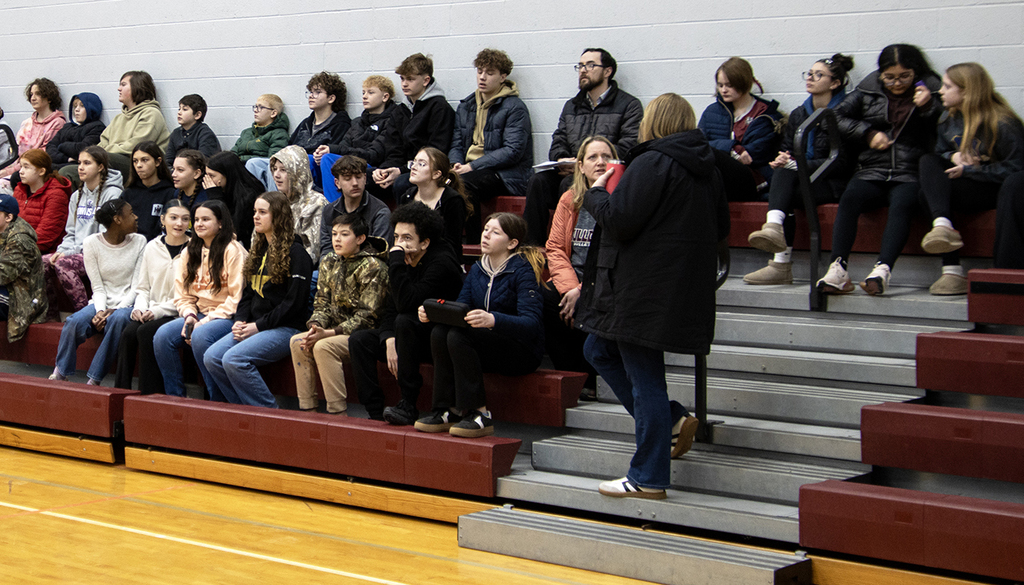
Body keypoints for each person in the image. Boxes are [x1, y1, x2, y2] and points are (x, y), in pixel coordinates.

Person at [579, 93, 729, 499]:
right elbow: (721, 228)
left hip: (643, 289)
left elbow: (620, 220)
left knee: (646, 380)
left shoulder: (652, 161)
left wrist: (595, 193)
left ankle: (648, 476)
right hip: (679, 287)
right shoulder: (708, 170)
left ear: (653, 122)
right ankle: (675, 420)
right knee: (598, 349)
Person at [818, 44, 942, 296]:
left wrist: (929, 107)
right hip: (872, 167)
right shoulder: (868, 90)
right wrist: (867, 133)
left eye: (904, 76)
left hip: (910, 170)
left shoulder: (931, 90)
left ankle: (882, 269)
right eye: (890, 77)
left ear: (915, 72)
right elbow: (832, 117)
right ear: (880, 74)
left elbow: (943, 129)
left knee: (902, 203)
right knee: (850, 198)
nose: (897, 83)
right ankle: (838, 268)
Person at [414, 213, 544, 438]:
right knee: (440, 331)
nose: (486, 235)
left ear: (512, 243)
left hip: (521, 350)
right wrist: (434, 313)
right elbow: (461, 309)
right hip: (488, 343)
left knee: (459, 337)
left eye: (495, 232)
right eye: (485, 229)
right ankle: (447, 410)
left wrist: (492, 319)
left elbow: (531, 324)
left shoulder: (523, 270)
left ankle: (480, 414)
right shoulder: (477, 269)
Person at [744, 54, 856, 285]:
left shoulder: (844, 113)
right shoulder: (799, 113)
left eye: (819, 75)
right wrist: (783, 158)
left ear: (835, 83)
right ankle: (776, 245)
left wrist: (796, 164)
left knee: (786, 184)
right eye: (809, 73)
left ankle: (780, 259)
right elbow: (787, 149)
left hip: (833, 182)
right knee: (785, 180)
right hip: (803, 178)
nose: (811, 78)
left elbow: (842, 161)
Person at [348, 203, 463, 422]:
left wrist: (397, 263)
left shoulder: (442, 263)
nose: (399, 244)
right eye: (397, 237)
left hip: (438, 339)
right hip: (405, 335)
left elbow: (407, 302)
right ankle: (374, 412)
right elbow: (392, 306)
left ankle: (408, 404)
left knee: (405, 322)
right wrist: (388, 338)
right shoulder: (407, 259)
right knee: (360, 340)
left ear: (425, 242)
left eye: (407, 238)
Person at [917, 62, 1024, 295]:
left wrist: (972, 171)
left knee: (1012, 184)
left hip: (997, 189)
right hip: (973, 184)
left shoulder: (1003, 123)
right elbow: (939, 153)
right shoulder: (948, 118)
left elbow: (1018, 170)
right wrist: (953, 156)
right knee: (928, 168)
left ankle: (959, 266)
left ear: (966, 91)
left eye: (947, 86)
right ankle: (946, 244)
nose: (940, 91)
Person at [204, 192, 313, 408]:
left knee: (233, 359)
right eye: (255, 211)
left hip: (287, 327)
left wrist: (258, 326)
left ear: (279, 216)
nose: (255, 217)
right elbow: (248, 294)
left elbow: (294, 304)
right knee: (212, 357)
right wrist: (241, 320)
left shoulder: (297, 253)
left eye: (262, 212)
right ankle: (242, 410)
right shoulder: (259, 249)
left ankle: (270, 414)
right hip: (257, 325)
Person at [524, 48, 643, 245]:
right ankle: (531, 249)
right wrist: (561, 158)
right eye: (580, 66)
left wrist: (589, 162)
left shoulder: (628, 105)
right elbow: (559, 138)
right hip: (573, 168)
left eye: (590, 65)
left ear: (608, 71)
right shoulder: (572, 105)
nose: (583, 71)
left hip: (604, 174)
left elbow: (629, 146)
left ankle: (568, 245)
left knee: (569, 184)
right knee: (537, 182)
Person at [291, 214, 389, 414]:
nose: (336, 239)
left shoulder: (374, 267)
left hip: (363, 334)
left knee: (324, 347)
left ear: (360, 238)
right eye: (334, 234)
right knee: (297, 342)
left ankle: (338, 413)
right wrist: (315, 327)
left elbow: (368, 317)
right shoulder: (329, 261)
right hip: (331, 329)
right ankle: (307, 409)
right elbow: (321, 302)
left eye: (344, 234)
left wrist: (326, 333)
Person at [544, 136, 617, 400]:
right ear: (581, 166)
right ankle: (572, 378)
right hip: (572, 281)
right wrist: (570, 288)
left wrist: (583, 290)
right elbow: (554, 249)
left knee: (589, 304)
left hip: (605, 282)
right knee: (544, 298)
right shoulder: (569, 199)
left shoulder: (619, 200)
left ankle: (594, 378)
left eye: (606, 156)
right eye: (593, 157)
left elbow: (615, 257)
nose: (600, 162)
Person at [153, 200, 247, 400]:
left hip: (227, 315)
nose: (199, 224)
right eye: (196, 220)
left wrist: (204, 322)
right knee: (162, 336)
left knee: (201, 335)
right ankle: (176, 398)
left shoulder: (233, 250)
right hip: (199, 313)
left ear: (220, 223)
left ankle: (216, 400)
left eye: (206, 219)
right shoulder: (189, 251)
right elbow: (183, 295)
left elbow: (236, 298)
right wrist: (189, 315)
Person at [49, 199, 145, 385]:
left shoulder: (139, 241)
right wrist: (101, 311)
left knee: (117, 320)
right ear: (117, 219)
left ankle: (94, 379)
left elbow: (137, 285)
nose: (136, 217)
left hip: (129, 303)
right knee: (73, 321)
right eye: (131, 213)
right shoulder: (91, 243)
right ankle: (61, 372)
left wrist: (116, 310)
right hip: (101, 301)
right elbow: (98, 287)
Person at [449, 48, 533, 242]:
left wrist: (472, 166)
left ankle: (472, 246)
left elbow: (513, 151)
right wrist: (455, 164)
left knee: (465, 185)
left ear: (503, 77)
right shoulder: (466, 105)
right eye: (479, 71)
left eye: (490, 73)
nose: (483, 77)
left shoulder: (514, 107)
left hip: (505, 174)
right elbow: (456, 143)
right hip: (469, 168)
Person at [114, 200, 191, 393]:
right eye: (173, 218)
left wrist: (155, 311)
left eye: (185, 219)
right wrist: (139, 308)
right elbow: (143, 287)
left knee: (145, 332)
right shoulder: (151, 246)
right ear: (163, 219)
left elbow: (190, 295)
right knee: (128, 333)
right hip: (151, 310)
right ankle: (121, 392)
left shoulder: (196, 249)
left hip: (178, 312)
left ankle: (150, 395)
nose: (179, 224)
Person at [44, 146, 124, 315]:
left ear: (100, 167)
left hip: (102, 253)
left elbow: (105, 235)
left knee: (63, 264)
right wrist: (64, 250)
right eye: (79, 163)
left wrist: (69, 253)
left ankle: (85, 313)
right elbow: (70, 232)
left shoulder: (113, 193)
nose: (80, 167)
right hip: (76, 251)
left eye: (87, 163)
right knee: (40, 263)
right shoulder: (77, 195)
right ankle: (50, 314)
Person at [698, 57, 784, 202]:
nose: (723, 90)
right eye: (720, 85)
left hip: (752, 179)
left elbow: (755, 154)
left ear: (744, 83)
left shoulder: (765, 115)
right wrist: (733, 148)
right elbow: (699, 144)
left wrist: (730, 151)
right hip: (716, 175)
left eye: (729, 85)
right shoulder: (712, 112)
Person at [372, 53, 456, 198]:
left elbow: (436, 152)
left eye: (410, 79)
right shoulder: (400, 110)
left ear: (426, 80)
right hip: (404, 169)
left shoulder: (440, 108)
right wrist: (387, 170)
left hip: (428, 171)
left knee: (403, 183)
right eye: (402, 79)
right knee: (365, 178)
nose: (404, 84)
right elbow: (393, 148)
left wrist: (402, 170)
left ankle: (405, 221)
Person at [313, 75, 398, 201]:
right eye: (363, 92)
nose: (364, 96)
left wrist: (333, 150)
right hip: (351, 163)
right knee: (309, 159)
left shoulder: (391, 121)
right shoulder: (357, 122)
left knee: (328, 158)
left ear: (385, 97)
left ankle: (335, 210)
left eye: (371, 92)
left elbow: (374, 155)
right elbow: (343, 146)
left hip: (372, 169)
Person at [96, 71, 171, 177]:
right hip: (114, 158)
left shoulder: (151, 113)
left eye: (123, 84)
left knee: (103, 160)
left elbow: (136, 146)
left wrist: (101, 154)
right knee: (68, 170)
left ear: (137, 87)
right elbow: (103, 142)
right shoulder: (118, 118)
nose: (119, 89)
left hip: (138, 163)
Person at [397, 147, 470, 254]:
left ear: (436, 174)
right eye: (414, 162)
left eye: (421, 164)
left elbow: (452, 244)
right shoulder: (407, 196)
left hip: (442, 261)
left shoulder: (452, 201)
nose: (413, 167)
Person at [318, 155, 391, 260]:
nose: (355, 183)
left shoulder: (380, 212)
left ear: (365, 178)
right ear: (337, 183)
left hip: (368, 269)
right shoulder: (328, 211)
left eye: (358, 177)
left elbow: (379, 254)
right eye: (348, 179)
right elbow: (326, 250)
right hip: (336, 267)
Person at [0, 193, 48, 342]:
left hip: (23, 299)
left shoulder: (20, 240)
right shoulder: (3, 230)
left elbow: (2, 275)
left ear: (8, 217)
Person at [1, 78, 66, 184]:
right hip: (15, 166)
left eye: (38, 94)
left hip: (32, 171)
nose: (33, 98)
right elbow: (14, 152)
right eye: (31, 94)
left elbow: (43, 156)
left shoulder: (57, 123)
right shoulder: (27, 122)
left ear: (49, 98)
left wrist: (9, 171)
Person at [271, 145, 327, 263]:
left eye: (283, 169)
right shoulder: (275, 201)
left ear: (297, 172)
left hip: (301, 269)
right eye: (275, 169)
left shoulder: (316, 203)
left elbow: (313, 252)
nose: (276, 175)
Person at [12, 148, 73, 254]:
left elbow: (46, 236)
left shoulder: (56, 195)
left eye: (26, 167)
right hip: (16, 247)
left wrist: (14, 249)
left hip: (40, 252)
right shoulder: (19, 190)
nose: (21, 171)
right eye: (21, 167)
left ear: (41, 171)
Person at [202, 151, 264, 249]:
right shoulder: (220, 190)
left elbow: (235, 231)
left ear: (227, 174)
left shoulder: (250, 195)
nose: (207, 180)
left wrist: (216, 198)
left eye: (212, 176)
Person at [121, 141, 176, 240]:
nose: (139, 165)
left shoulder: (170, 193)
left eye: (144, 160)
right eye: (135, 161)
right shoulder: (127, 193)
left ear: (157, 162)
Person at [235, 94, 290, 190]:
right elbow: (233, 153)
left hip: (260, 172)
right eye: (255, 107)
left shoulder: (279, 134)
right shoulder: (246, 132)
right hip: (242, 168)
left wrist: (241, 159)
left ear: (273, 113)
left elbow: (274, 161)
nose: (256, 110)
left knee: (253, 163)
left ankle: (268, 201)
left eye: (261, 107)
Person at [291, 72, 351, 156]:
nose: (311, 96)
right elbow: (289, 147)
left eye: (317, 92)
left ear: (331, 98)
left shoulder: (341, 125)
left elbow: (333, 154)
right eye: (310, 92)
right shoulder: (305, 123)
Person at [46, 92, 105, 171]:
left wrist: (61, 146)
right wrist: (65, 158)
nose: (76, 109)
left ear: (91, 108)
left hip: (78, 166)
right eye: (75, 106)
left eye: (82, 106)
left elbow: (83, 149)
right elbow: (50, 146)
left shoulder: (97, 127)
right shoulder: (68, 126)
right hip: (62, 162)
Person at [165, 94, 221, 164]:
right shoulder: (176, 133)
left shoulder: (205, 134)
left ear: (197, 115)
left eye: (185, 109)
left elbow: (204, 162)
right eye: (179, 109)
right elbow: (169, 160)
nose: (179, 112)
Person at [171, 149, 208, 215]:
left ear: (196, 173)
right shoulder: (177, 193)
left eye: (180, 170)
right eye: (173, 169)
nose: (173, 174)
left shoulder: (205, 198)